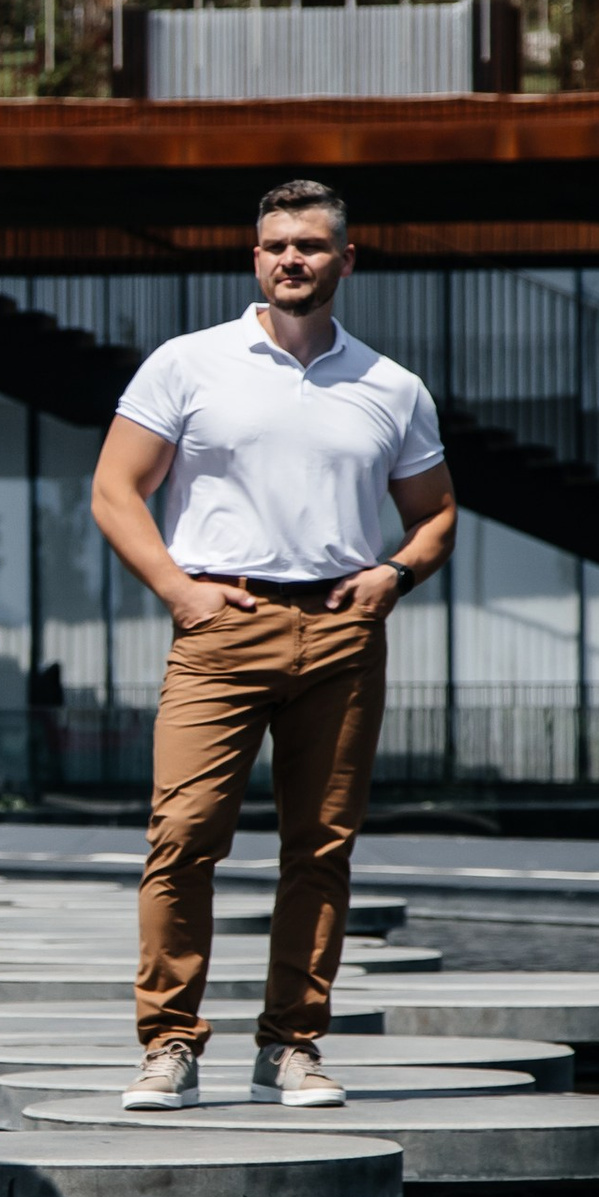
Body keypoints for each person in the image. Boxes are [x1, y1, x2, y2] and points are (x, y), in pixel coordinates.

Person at [88, 176, 456, 1111]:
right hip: (223, 626)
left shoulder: (391, 386)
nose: (293, 258)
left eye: (313, 245)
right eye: (277, 245)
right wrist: (181, 594)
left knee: (321, 850)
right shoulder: (189, 364)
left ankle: (292, 1047)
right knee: (182, 836)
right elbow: (114, 491)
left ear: (347, 259)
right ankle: (168, 1046)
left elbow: (436, 516)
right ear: (257, 257)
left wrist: (395, 576)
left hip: (341, 634)